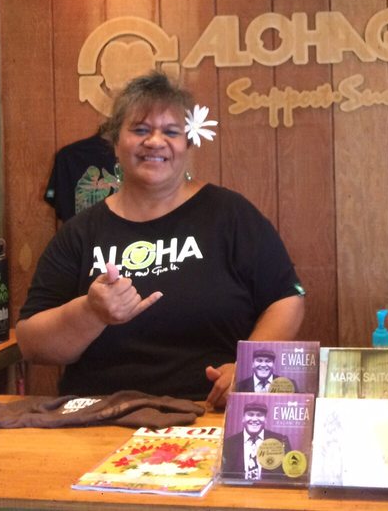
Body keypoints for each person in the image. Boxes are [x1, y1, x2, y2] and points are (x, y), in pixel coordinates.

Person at [16, 71, 305, 408]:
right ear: (115, 142)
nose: (155, 142)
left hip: (208, 412)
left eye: (171, 132)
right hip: (102, 416)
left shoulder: (230, 215)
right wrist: (90, 312)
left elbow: (287, 298)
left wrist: (250, 368)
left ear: (188, 143)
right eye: (140, 130)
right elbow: (31, 343)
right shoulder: (80, 233)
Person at [221, 401, 290, 480]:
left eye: (259, 415)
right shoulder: (229, 443)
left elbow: (288, 474)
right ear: (243, 418)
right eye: (250, 414)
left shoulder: (281, 440)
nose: (254, 419)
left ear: (265, 419)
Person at [234, 348, 298, 393]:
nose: (263, 365)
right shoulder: (240, 386)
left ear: (273, 365)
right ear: (252, 364)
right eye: (259, 361)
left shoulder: (290, 384)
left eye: (268, 361)